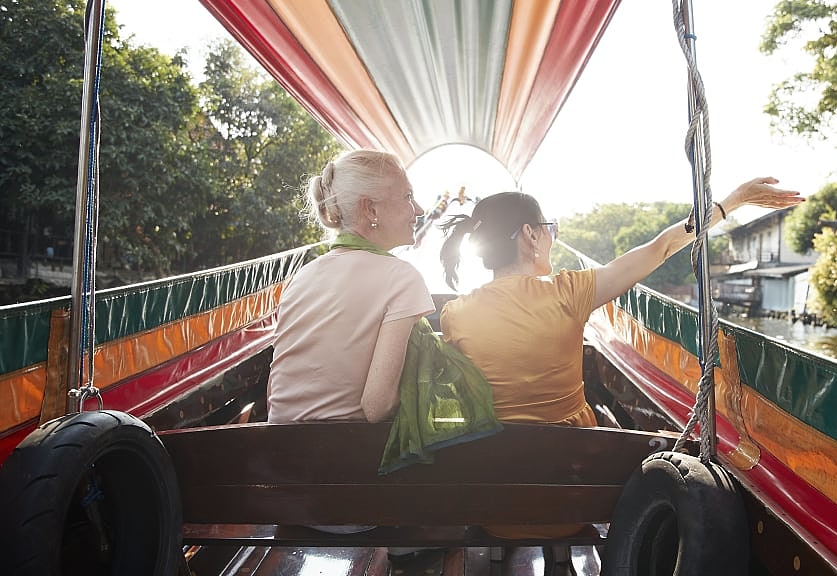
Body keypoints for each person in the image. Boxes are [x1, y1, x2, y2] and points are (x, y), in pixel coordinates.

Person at [437, 177, 804, 428]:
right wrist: (733, 201)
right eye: (549, 227)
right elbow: (661, 247)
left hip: (493, 503)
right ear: (530, 235)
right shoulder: (570, 292)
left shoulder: (455, 315)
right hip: (569, 498)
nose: (552, 236)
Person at [267, 149, 433, 425]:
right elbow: (377, 406)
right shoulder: (401, 277)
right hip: (345, 454)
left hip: (273, 453)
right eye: (408, 196)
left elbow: (276, 391)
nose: (419, 210)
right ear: (370, 209)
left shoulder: (301, 277)